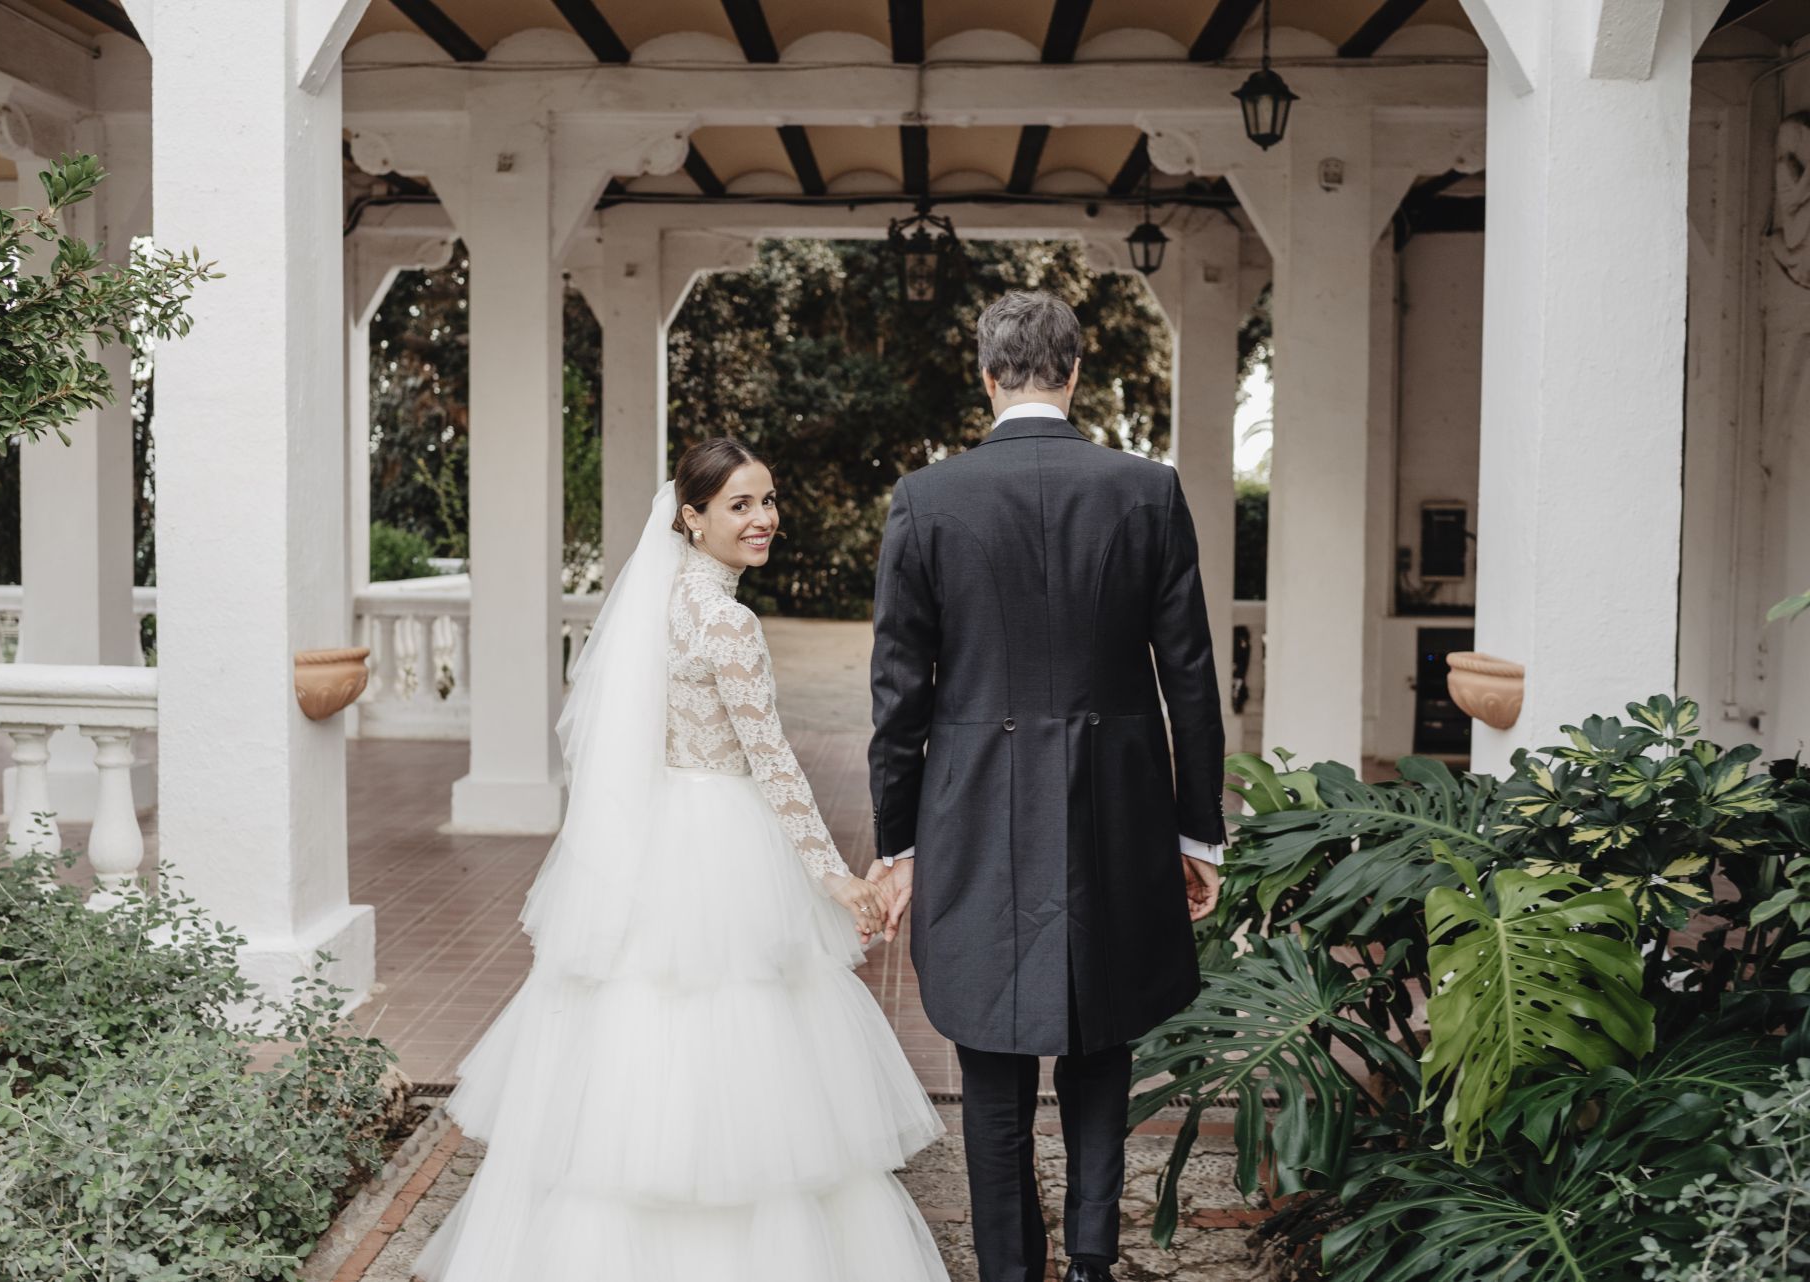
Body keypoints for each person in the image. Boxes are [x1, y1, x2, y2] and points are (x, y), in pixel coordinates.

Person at [412, 439, 949, 1282]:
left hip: (660, 838)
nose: (763, 518)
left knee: (630, 1058)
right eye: (739, 505)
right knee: (738, 1044)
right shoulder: (726, 622)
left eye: (768, 500)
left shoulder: (658, 604)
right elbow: (770, 760)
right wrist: (836, 875)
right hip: (723, 846)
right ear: (690, 518)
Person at [866, 290, 1227, 1282]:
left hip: (973, 812)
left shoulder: (926, 499)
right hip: (1115, 811)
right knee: (1101, 1035)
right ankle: (1093, 1265)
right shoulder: (1145, 490)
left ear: (988, 377)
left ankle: (1009, 1272)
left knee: (989, 1053)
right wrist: (1199, 833)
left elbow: (898, 691)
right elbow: (1189, 675)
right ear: (1075, 372)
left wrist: (898, 843)